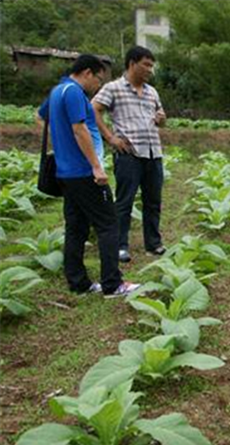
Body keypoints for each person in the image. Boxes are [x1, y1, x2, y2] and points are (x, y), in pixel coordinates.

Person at [37, 55, 139, 297]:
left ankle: (78, 283)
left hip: (65, 173)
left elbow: (40, 117)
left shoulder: (56, 91)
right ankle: (113, 284)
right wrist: (96, 166)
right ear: (87, 73)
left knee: (76, 227)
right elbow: (79, 128)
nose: (98, 87)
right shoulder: (73, 92)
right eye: (98, 80)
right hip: (84, 172)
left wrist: (61, 144)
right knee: (108, 224)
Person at [92, 46, 166, 263]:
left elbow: (161, 117)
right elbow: (93, 109)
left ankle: (153, 244)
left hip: (153, 152)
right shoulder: (113, 88)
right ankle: (120, 246)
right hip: (129, 154)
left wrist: (161, 118)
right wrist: (110, 137)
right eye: (147, 65)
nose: (150, 70)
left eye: (152, 66)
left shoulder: (152, 91)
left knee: (153, 201)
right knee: (125, 201)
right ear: (132, 63)